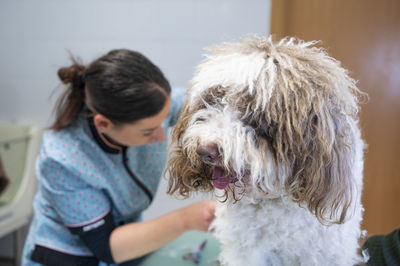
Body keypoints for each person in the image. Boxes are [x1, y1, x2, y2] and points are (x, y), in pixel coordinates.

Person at [22, 49, 216, 266]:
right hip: (70, 256)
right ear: (103, 124)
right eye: (148, 131)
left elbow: (202, 102)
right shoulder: (62, 160)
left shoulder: (154, 107)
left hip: (128, 240)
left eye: (163, 122)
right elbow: (107, 246)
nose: (161, 136)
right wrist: (186, 219)